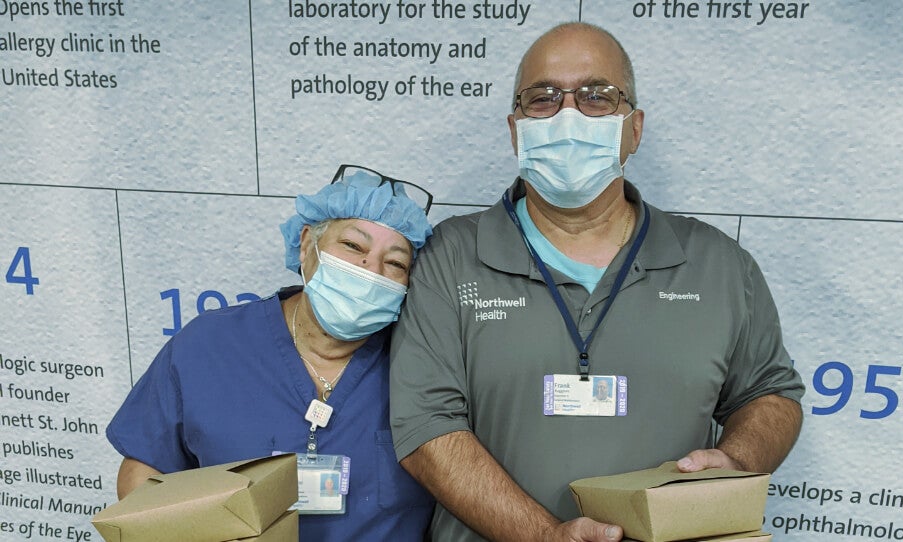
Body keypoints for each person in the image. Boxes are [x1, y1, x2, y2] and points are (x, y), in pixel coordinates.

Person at [389, 22, 805, 542]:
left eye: (597, 96)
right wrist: (545, 536)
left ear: (634, 128)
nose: (568, 115)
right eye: (542, 98)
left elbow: (771, 394)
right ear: (516, 129)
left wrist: (738, 459)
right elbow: (426, 427)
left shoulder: (718, 264)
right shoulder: (450, 257)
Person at [107, 165, 436, 540]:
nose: (370, 270)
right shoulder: (207, 346)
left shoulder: (424, 363)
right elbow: (143, 469)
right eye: (353, 246)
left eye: (395, 263)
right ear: (307, 244)